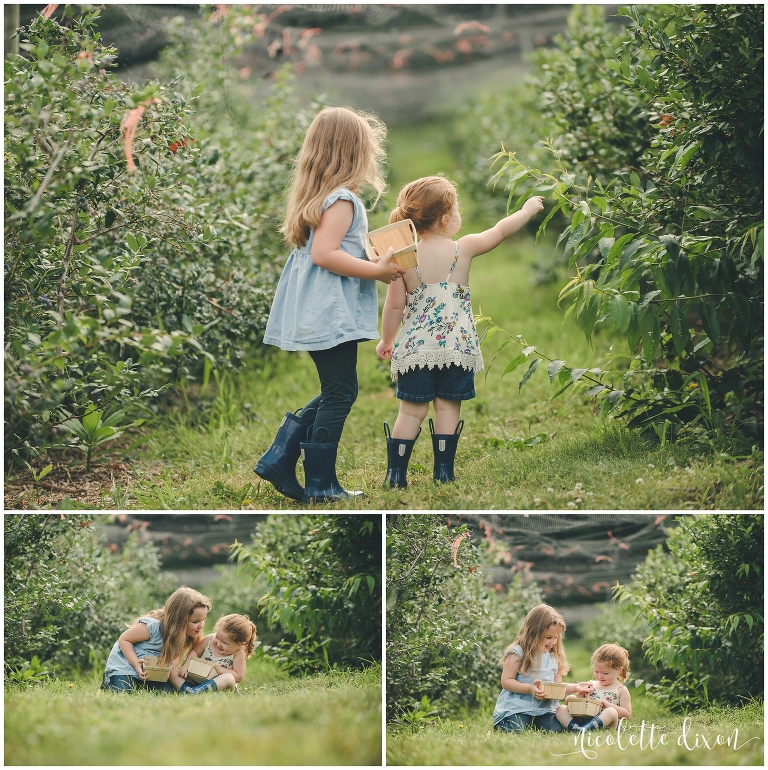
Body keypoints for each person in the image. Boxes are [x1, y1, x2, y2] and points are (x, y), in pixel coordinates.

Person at [256, 106, 405, 502]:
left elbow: (332, 250)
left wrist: (371, 261)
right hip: (328, 309)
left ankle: (281, 456)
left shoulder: (321, 197)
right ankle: (320, 484)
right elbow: (325, 254)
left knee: (338, 387)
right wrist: (375, 273)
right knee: (340, 391)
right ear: (353, 153)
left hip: (314, 306)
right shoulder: (343, 200)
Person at [376, 175, 544, 487]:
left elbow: (394, 305)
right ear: (444, 218)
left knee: (411, 412)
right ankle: (443, 472)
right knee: (447, 407)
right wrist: (528, 209)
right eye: (456, 209)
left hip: (416, 351)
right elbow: (501, 230)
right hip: (457, 347)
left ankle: (396, 474)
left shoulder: (402, 257)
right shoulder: (463, 248)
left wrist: (387, 340)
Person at [492, 603, 592, 733]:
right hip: (518, 707)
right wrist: (529, 689)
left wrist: (575, 687)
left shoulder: (553, 657)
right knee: (517, 729)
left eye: (556, 637)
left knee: (556, 730)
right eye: (548, 637)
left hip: (545, 709)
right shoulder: (517, 652)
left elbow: (557, 686)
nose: (553, 642)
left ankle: (539, 722)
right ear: (533, 633)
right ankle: (507, 722)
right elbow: (506, 681)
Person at [100, 586, 211, 693]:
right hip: (125, 669)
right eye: (195, 622)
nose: (201, 625)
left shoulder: (186, 635)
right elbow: (124, 639)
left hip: (151, 675)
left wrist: (169, 666)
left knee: (167, 693)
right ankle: (109, 681)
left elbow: (177, 656)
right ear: (178, 621)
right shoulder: (153, 627)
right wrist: (135, 662)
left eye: (203, 620)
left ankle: (141, 685)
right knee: (122, 692)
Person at [171, 613, 258, 695]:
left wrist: (214, 668)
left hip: (219, 685)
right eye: (217, 637)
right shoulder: (209, 639)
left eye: (225, 643)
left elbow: (238, 676)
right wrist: (187, 665)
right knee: (172, 672)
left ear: (239, 644)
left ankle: (195, 692)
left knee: (229, 678)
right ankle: (190, 690)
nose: (218, 643)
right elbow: (195, 651)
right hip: (196, 679)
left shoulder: (238, 653)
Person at [555, 643, 632, 732]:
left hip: (607, 724)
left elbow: (627, 714)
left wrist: (608, 705)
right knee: (560, 709)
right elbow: (578, 701)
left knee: (611, 711)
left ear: (619, 670)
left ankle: (585, 729)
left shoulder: (621, 690)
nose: (600, 676)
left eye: (605, 673)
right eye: (596, 671)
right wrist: (571, 699)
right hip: (584, 720)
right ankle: (578, 728)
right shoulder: (591, 685)